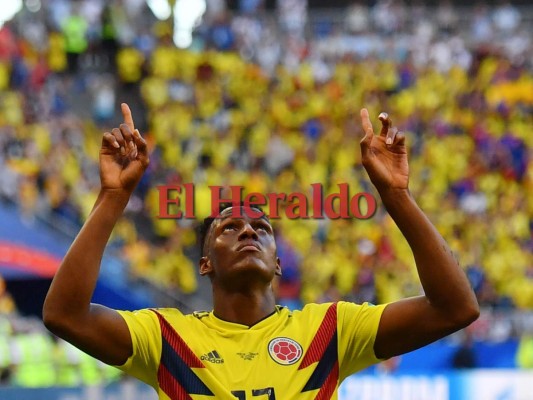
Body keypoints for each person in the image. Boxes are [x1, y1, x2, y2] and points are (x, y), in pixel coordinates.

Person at [43, 103, 479, 399]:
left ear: (277, 262)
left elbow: (455, 308)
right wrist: (113, 197)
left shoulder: (331, 330)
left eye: (262, 228)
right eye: (229, 227)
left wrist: (396, 195)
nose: (248, 230)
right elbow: (65, 315)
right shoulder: (166, 341)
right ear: (205, 262)